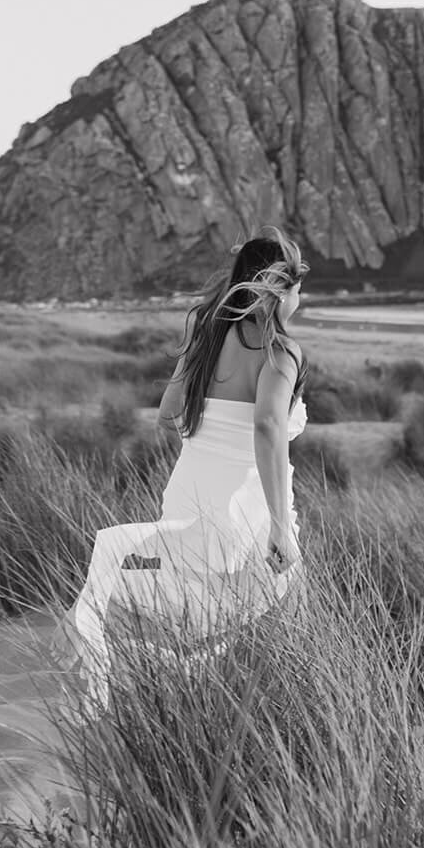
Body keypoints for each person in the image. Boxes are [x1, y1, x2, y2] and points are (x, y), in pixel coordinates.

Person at [71, 228, 309, 703]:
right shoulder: (280, 351)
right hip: (248, 507)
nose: (299, 301)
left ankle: (167, 687)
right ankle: (269, 708)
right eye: (298, 289)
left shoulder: (205, 335)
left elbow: (167, 413)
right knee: (290, 612)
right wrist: (281, 525)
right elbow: (266, 427)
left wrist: (212, 427)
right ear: (279, 289)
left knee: (193, 607)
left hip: (188, 492)